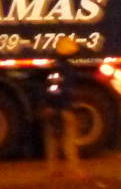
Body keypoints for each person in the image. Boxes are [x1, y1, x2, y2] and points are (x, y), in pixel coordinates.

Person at [42, 36, 87, 181]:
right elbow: (64, 91)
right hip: (64, 109)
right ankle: (73, 171)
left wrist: (49, 105)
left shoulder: (54, 68)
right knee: (69, 141)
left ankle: (52, 171)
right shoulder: (67, 69)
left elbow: (51, 88)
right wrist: (62, 107)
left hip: (52, 108)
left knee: (52, 141)